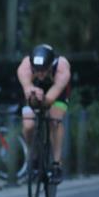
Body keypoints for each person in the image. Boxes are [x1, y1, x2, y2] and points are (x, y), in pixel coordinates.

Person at [17, 43, 71, 184]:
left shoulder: (62, 68)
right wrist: (33, 95)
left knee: (54, 119)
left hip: (56, 93)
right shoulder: (25, 67)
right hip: (34, 92)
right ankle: (33, 156)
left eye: (44, 70)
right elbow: (28, 91)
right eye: (37, 70)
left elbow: (49, 101)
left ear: (51, 65)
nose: (40, 74)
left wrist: (44, 100)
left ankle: (57, 164)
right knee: (28, 125)